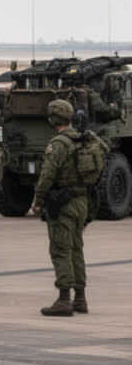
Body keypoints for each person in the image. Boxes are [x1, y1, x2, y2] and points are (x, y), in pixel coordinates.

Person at [31, 98, 109, 316]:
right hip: (83, 200)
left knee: (60, 249)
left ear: (53, 119)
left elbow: (47, 176)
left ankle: (64, 299)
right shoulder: (86, 138)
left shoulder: (58, 144)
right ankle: (80, 298)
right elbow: (105, 150)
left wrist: (38, 201)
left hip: (63, 203)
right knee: (76, 248)